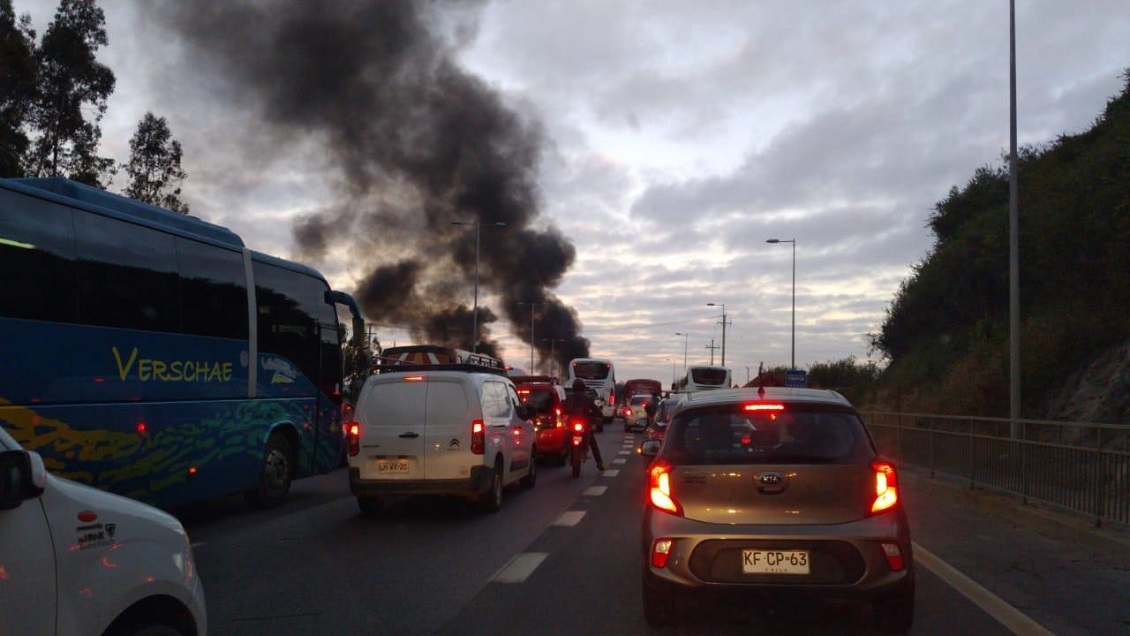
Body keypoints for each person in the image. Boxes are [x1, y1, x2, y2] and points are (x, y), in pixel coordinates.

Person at [566, 379, 605, 471]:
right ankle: (599, 463)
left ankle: (599, 463)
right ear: (583, 388)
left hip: (579, 424)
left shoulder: (570, 398)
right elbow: (596, 410)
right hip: (578, 424)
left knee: (566, 438)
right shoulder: (587, 398)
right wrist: (599, 414)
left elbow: (562, 407)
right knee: (593, 443)